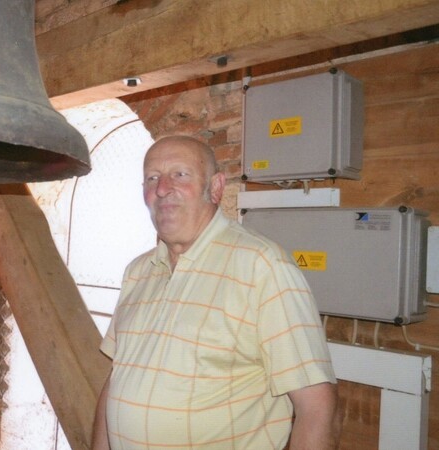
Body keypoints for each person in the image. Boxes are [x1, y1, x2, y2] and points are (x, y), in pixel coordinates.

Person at [92, 136, 341, 450]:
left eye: (180, 175)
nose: (162, 188)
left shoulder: (262, 266)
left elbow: (318, 409)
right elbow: (117, 378)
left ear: (217, 188)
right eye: (152, 178)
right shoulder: (138, 271)